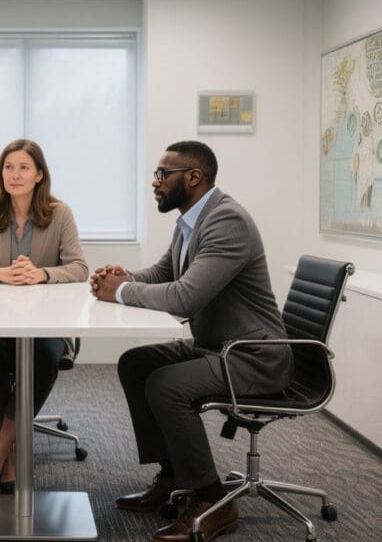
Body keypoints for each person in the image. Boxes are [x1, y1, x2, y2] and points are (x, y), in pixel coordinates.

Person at [90, 140, 289, 542]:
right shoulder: (191, 221)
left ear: (194, 177)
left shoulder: (226, 221)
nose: (155, 182)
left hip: (252, 356)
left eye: (163, 174)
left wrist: (122, 291)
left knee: (167, 385)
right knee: (136, 363)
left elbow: (186, 296)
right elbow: (165, 273)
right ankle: (173, 477)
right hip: (217, 345)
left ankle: (213, 500)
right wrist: (123, 275)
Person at [0, 138, 89, 497]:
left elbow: (78, 268)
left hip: (44, 321)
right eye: (9, 167)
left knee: (45, 355)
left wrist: (41, 274)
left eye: (24, 167)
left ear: (39, 174)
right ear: (1, 173)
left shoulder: (60, 213)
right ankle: (8, 459)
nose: (15, 174)